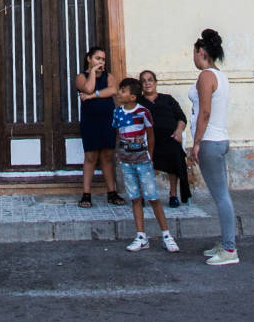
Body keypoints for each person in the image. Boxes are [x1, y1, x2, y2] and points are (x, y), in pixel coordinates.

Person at [113, 77, 180, 253]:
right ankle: (141, 235)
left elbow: (150, 134)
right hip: (126, 162)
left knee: (153, 197)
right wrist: (119, 154)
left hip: (142, 160)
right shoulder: (118, 113)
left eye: (123, 91)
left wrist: (149, 154)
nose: (119, 93)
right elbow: (118, 134)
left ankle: (166, 235)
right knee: (135, 197)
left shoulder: (143, 112)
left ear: (133, 96)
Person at [189, 28, 238, 265]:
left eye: (194, 53)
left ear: (201, 52)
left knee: (220, 197)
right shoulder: (221, 76)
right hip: (220, 139)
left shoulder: (206, 76)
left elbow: (204, 112)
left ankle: (229, 249)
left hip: (209, 141)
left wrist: (196, 143)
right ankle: (226, 242)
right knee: (222, 195)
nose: (193, 58)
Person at [75, 46, 125, 208]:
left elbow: (113, 90)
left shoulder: (109, 76)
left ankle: (111, 192)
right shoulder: (81, 77)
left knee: (107, 156)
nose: (101, 62)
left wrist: (92, 96)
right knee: (90, 156)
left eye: (103, 59)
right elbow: (88, 87)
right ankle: (86, 194)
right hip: (90, 121)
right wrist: (92, 74)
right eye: (97, 58)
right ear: (89, 59)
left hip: (107, 119)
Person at [138, 70, 191, 207]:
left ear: (155, 83)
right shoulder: (138, 102)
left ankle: (173, 194)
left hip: (169, 138)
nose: (147, 83)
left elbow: (181, 117)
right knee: (140, 156)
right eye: (143, 81)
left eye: (150, 80)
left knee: (175, 152)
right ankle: (143, 194)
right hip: (147, 140)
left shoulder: (167, 99)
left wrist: (179, 132)